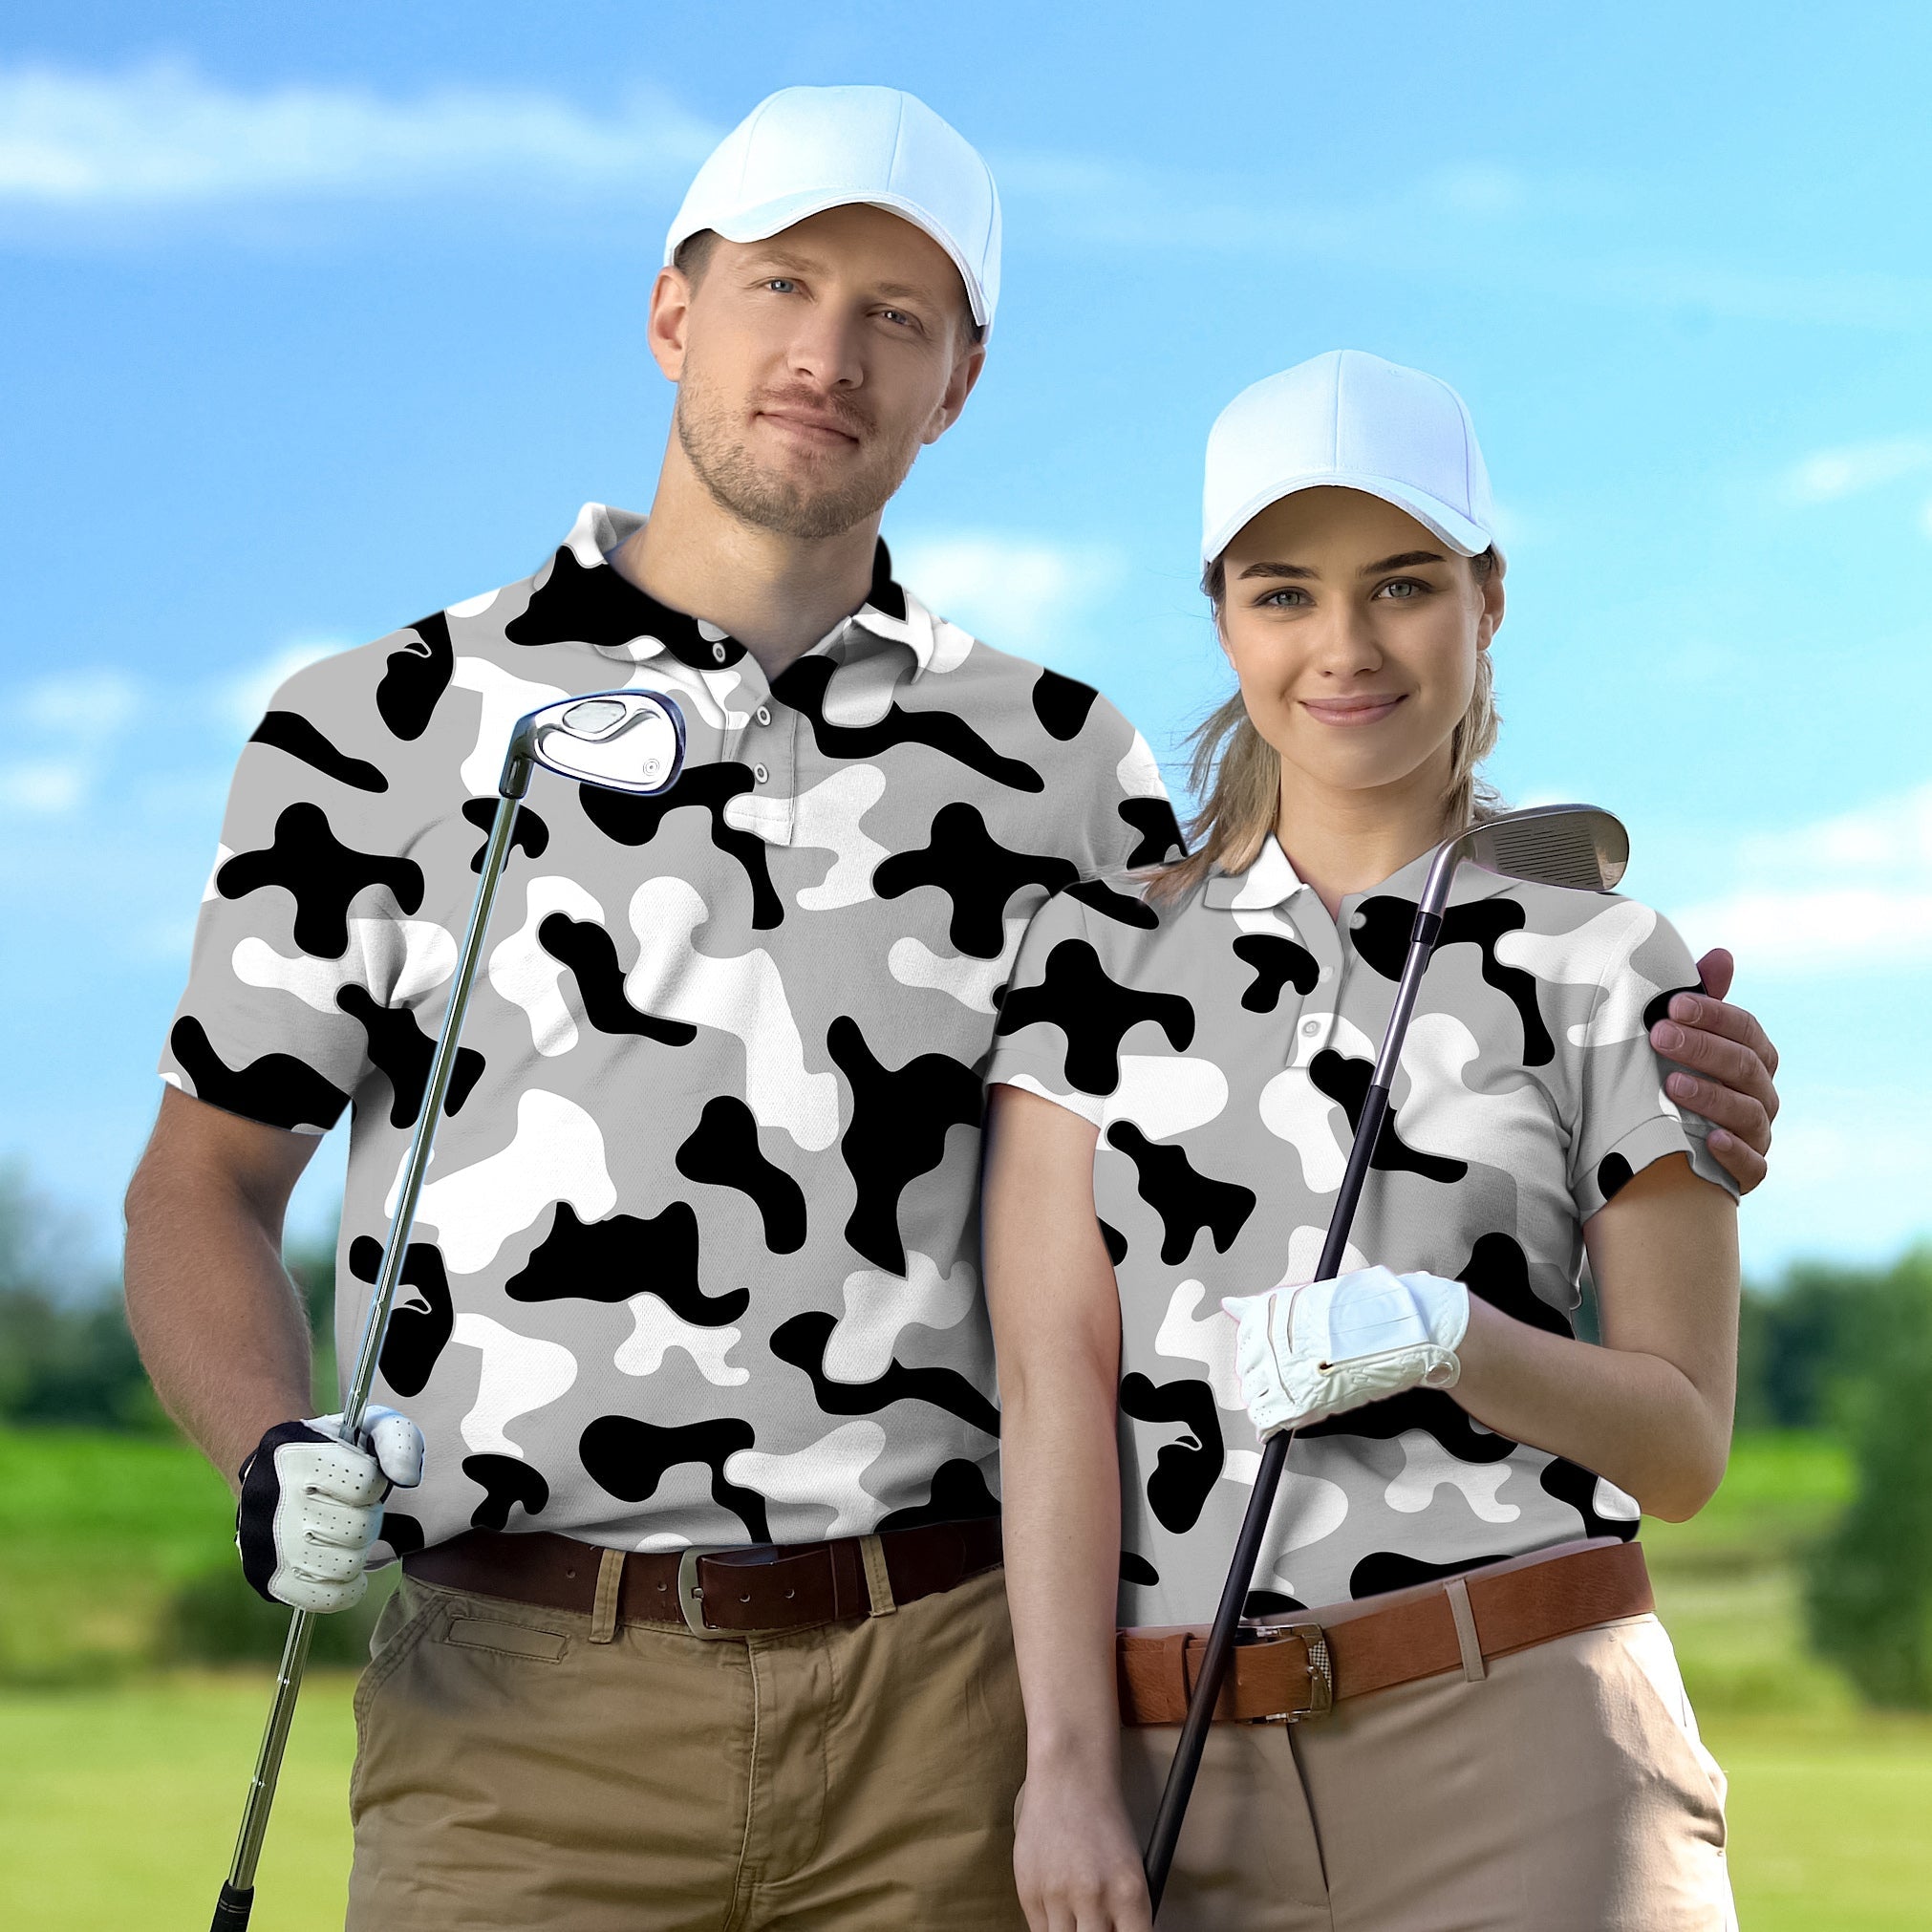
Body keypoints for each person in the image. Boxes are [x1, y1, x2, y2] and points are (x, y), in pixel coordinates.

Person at [118, 83, 1778, 1930]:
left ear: (960, 378)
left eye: (894, 316)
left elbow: (1291, 972)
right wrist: (270, 1450)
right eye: (780, 286)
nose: (827, 354)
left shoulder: (1062, 762)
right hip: (515, 1707)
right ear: (673, 310)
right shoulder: (374, 728)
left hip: (946, 1700)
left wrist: (1638, 1034)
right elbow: (201, 1185)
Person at [984, 351, 1750, 1930]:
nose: (1342, 647)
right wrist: (1062, 1764)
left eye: (1400, 584)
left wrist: (1445, 1336)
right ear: (1220, 617)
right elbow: (1052, 1387)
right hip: (1180, 1774)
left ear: (1485, 599)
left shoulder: (1607, 959)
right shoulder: (1091, 967)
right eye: (1283, 594)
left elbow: (1678, 1448)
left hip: (1530, 1742)